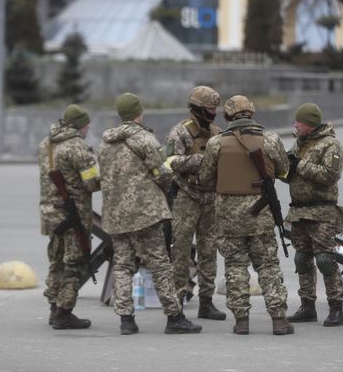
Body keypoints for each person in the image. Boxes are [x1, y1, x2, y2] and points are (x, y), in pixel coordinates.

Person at [98, 92, 202, 335]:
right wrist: (164, 188)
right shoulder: (146, 139)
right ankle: (174, 317)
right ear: (138, 113)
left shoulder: (105, 143)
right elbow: (163, 173)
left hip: (116, 214)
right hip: (145, 213)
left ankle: (126, 320)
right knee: (160, 265)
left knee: (122, 265)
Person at [198, 95, 293, 336]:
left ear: (228, 117)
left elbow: (206, 178)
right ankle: (279, 320)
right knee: (268, 265)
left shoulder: (216, 143)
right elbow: (283, 170)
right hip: (261, 214)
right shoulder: (270, 139)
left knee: (235, 266)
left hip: (229, 217)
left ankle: (241, 321)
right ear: (251, 114)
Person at [165, 85, 227, 321]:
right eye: (209, 108)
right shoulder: (179, 132)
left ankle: (206, 302)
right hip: (186, 198)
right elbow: (169, 161)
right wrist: (201, 160)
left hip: (210, 199)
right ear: (196, 109)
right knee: (180, 251)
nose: (213, 112)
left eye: (215, 108)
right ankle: (178, 301)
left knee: (209, 251)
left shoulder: (217, 132)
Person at [38, 104, 99, 330]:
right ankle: (64, 313)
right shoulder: (78, 148)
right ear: (79, 126)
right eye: (86, 124)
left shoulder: (46, 145)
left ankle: (54, 307)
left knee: (56, 262)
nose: (88, 128)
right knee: (74, 263)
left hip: (51, 214)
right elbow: (92, 183)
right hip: (73, 216)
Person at [285, 103, 343, 327]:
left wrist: (300, 165)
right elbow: (292, 174)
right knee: (302, 259)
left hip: (322, 211)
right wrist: (285, 168)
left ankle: (336, 307)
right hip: (299, 211)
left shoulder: (331, 145)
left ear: (309, 124)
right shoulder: (299, 144)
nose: (295, 125)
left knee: (325, 260)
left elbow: (330, 175)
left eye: (298, 122)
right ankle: (307, 306)